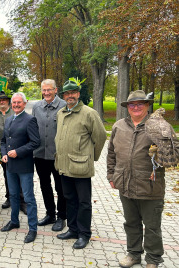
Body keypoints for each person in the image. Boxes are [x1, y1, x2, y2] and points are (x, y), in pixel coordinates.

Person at [107, 90, 177, 268]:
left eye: (140, 103)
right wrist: (111, 175)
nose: (136, 107)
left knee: (152, 226)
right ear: (127, 107)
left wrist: (161, 151)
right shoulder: (119, 126)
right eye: (132, 104)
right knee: (131, 223)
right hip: (125, 182)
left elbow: (174, 152)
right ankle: (134, 254)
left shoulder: (159, 126)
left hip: (150, 184)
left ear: (147, 105)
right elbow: (111, 154)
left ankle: (153, 259)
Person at [54, 80, 106, 249]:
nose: (70, 96)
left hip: (81, 167)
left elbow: (100, 136)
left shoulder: (88, 113)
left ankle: (84, 234)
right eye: (67, 93)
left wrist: (92, 157)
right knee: (70, 199)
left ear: (78, 94)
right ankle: (73, 229)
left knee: (84, 202)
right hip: (64, 165)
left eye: (73, 93)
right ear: (63, 96)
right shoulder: (61, 113)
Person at [0, 92, 40, 243]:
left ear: (24, 103)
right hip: (10, 165)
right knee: (14, 196)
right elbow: (4, 141)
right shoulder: (9, 119)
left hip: (24, 165)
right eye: (14, 102)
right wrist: (4, 154)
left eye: (19, 102)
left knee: (29, 198)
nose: (16, 105)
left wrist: (18, 151)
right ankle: (14, 221)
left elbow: (35, 142)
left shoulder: (30, 120)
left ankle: (33, 228)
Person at [32, 79, 67, 232]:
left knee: (60, 188)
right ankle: (50, 214)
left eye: (49, 90)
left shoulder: (64, 106)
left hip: (57, 155)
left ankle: (61, 217)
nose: (46, 93)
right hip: (39, 154)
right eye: (44, 90)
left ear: (55, 90)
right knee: (45, 185)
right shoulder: (36, 107)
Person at [0, 91, 27, 214]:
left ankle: (22, 202)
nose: (2, 102)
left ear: (8, 101)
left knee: (20, 176)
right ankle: (9, 198)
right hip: (3, 152)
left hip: (17, 151)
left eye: (4, 100)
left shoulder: (15, 113)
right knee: (7, 175)